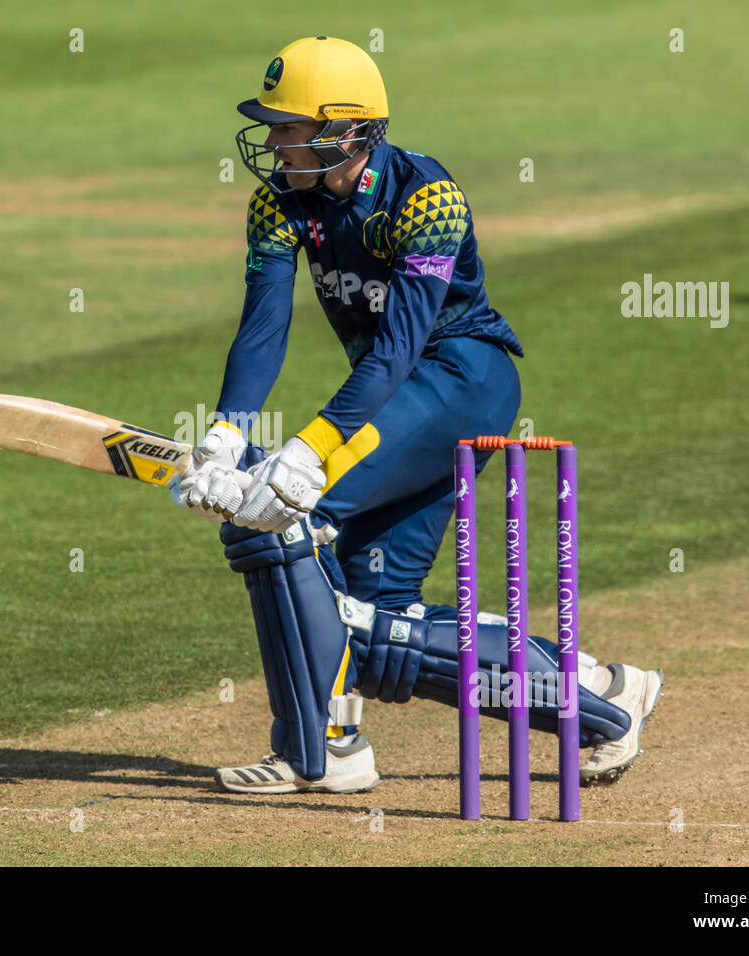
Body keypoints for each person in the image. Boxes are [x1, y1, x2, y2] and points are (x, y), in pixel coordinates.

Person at [171, 36, 662, 794]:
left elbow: (402, 346)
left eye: (287, 127)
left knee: (283, 518)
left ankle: (320, 747)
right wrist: (223, 434)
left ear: (347, 129)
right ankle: (597, 686)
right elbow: (263, 327)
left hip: (461, 378)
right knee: (369, 621)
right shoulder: (279, 202)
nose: (272, 142)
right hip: (392, 393)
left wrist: (305, 452)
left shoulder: (428, 198)